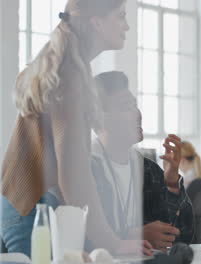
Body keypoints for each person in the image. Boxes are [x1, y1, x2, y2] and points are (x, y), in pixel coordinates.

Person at [1, 0, 152, 257]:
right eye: (121, 17)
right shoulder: (70, 75)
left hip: (30, 204)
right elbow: (73, 173)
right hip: (32, 208)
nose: (126, 26)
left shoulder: (70, 67)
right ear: (97, 22)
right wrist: (113, 243)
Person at [92, 71, 193, 251]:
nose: (137, 114)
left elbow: (182, 235)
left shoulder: (147, 168)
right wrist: (134, 236)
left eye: (135, 105)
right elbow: (85, 238)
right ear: (101, 118)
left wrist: (171, 182)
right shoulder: (87, 167)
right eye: (126, 107)